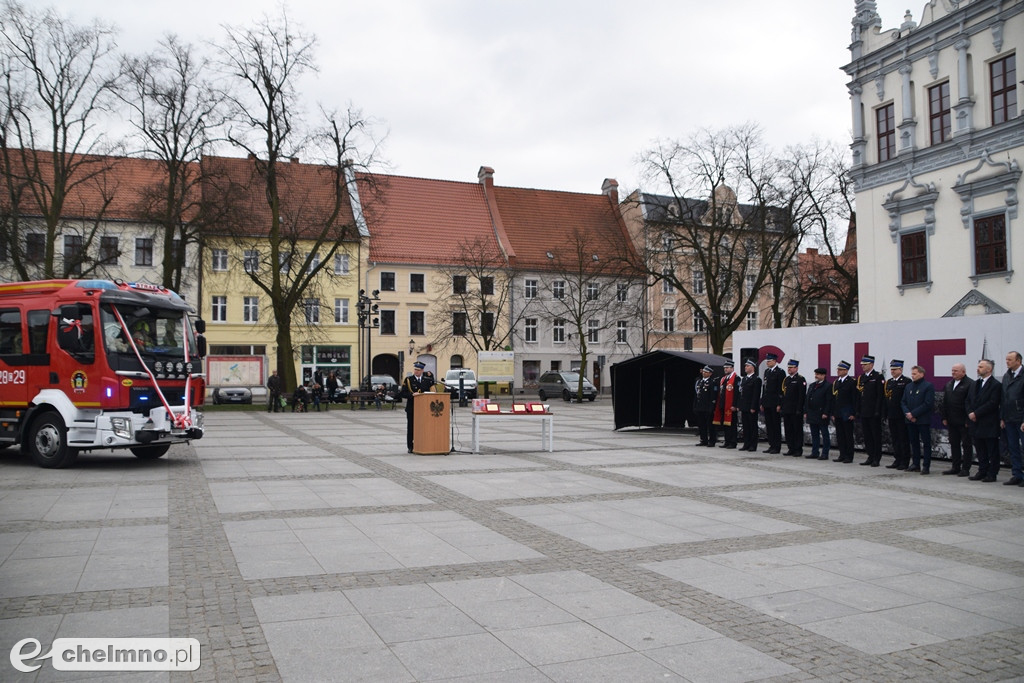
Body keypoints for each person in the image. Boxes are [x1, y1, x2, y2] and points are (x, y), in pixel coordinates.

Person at [967, 359, 1002, 482]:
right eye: (978, 366)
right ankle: (982, 470)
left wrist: (976, 413)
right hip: (975, 423)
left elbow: (993, 403)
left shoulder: (995, 385)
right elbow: (968, 400)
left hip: (988, 422)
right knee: (980, 449)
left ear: (989, 369)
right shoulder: (975, 384)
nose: (978, 369)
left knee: (992, 450)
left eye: (981, 367)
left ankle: (992, 473)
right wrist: (970, 412)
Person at [941, 363, 974, 476]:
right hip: (951, 420)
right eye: (952, 370)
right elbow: (945, 402)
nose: (953, 373)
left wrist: (968, 420)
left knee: (966, 445)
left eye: (956, 371)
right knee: (954, 443)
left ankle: (966, 468)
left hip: (964, 421)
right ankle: (955, 466)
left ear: (963, 372)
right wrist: (944, 417)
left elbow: (971, 403)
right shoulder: (949, 384)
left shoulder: (970, 384)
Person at [902, 365, 935, 474]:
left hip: (922, 420)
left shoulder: (928, 386)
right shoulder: (909, 386)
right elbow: (903, 402)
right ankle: (915, 464)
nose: (912, 376)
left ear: (921, 374)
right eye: (912, 374)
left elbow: (928, 403)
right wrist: (908, 414)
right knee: (914, 442)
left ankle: (926, 466)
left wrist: (913, 414)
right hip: (910, 420)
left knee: (926, 443)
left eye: (915, 374)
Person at [856, 355, 886, 467]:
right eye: (862, 364)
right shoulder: (862, 377)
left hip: (873, 412)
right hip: (864, 411)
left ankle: (876, 458)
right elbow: (859, 395)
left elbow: (880, 396)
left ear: (871, 364)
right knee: (867, 435)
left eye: (865, 364)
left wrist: (878, 410)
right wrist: (858, 410)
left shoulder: (877, 376)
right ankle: (870, 456)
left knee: (875, 436)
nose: (863, 366)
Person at [1000, 351, 1024, 486]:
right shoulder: (1007, 376)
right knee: (1013, 447)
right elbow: (1003, 398)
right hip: (1009, 418)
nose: (1007, 362)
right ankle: (1017, 474)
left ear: (1018, 361)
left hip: (1020, 417)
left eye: (1010, 359)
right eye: (1006, 359)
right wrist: (1002, 417)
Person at [400, 361, 435, 453]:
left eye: (418, 370)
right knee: (411, 428)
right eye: (415, 369)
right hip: (412, 408)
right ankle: (410, 446)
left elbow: (433, 392)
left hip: (424, 409)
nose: (416, 371)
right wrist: (412, 395)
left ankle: (423, 444)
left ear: (422, 370)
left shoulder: (427, 380)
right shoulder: (409, 380)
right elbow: (403, 393)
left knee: (424, 427)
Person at [884, 360, 911, 469]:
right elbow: (886, 399)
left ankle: (905, 461)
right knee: (895, 438)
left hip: (901, 415)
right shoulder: (889, 382)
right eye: (891, 369)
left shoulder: (906, 381)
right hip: (891, 414)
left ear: (901, 369)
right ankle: (897, 459)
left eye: (895, 369)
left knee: (903, 438)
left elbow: (907, 399)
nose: (893, 371)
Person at [831, 360, 858, 463]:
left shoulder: (851, 382)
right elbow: (834, 399)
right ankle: (842, 454)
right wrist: (833, 413)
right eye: (838, 369)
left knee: (848, 435)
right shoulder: (836, 382)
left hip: (847, 413)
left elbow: (854, 398)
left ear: (846, 371)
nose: (838, 371)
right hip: (838, 412)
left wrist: (853, 413)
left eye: (841, 369)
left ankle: (849, 456)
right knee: (840, 435)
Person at [804, 367, 833, 460]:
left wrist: (826, 412)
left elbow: (829, 401)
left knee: (824, 434)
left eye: (818, 374)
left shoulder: (828, 386)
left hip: (821, 413)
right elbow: (807, 398)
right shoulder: (812, 385)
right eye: (815, 374)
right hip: (812, 413)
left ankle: (825, 453)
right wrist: (806, 411)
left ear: (823, 375)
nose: (816, 376)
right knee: (814, 434)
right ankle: (815, 452)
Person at [781, 359, 806, 456]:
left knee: (797, 430)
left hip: (795, 409)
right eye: (788, 367)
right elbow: (784, 395)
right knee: (788, 430)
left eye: (791, 367)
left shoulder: (800, 379)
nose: (789, 369)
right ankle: (791, 448)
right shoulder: (787, 379)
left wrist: (799, 409)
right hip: (787, 409)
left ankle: (798, 449)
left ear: (796, 368)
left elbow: (801, 396)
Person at [713, 360, 739, 449]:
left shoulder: (736, 378)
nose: (725, 369)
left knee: (732, 425)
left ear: (732, 368)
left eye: (727, 368)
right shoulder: (723, 379)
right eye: (724, 368)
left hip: (731, 406)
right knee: (725, 425)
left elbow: (736, 393)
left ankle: (733, 442)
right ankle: (727, 441)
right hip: (723, 405)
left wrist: (735, 405)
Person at [761, 353, 784, 453]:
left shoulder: (780, 372)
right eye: (767, 361)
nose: (768, 363)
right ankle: (771, 444)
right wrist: (762, 402)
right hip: (767, 401)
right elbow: (765, 388)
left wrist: (779, 403)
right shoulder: (767, 372)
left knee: (775, 425)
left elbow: (780, 389)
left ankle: (777, 446)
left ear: (775, 361)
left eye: (769, 361)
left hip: (775, 402)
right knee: (769, 425)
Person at [693, 365, 718, 447]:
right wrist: (695, 406)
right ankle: (703, 440)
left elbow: (713, 396)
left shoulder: (712, 382)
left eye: (706, 372)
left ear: (710, 373)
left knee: (710, 425)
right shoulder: (699, 382)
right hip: (700, 407)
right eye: (703, 372)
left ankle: (712, 441)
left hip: (707, 407)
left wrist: (711, 408)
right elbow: (697, 395)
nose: (704, 373)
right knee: (701, 425)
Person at [739, 359, 762, 452]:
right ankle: (746, 443)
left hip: (751, 406)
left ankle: (753, 445)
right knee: (746, 426)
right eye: (745, 366)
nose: (745, 367)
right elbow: (741, 393)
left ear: (752, 367)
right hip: (744, 406)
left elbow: (756, 395)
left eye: (747, 366)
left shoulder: (756, 379)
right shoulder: (744, 379)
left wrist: (753, 407)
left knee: (752, 426)